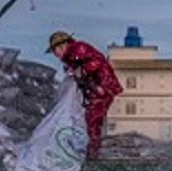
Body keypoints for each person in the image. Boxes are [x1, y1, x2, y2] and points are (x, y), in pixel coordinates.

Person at [47, 30, 123, 160]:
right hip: (93, 89)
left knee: (93, 120)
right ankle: (88, 151)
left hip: (102, 86)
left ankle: (92, 154)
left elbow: (98, 62)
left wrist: (82, 70)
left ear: (62, 46)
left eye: (55, 51)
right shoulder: (70, 55)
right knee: (88, 119)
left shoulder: (78, 49)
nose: (55, 55)